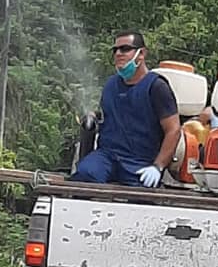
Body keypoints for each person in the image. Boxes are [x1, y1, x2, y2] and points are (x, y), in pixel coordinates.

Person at [71, 31, 181, 187]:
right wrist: (93, 116)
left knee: (140, 195)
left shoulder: (157, 87)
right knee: (85, 174)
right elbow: (110, 115)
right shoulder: (110, 85)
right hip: (107, 156)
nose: (118, 53)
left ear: (141, 53)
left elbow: (174, 130)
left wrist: (158, 166)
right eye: (115, 50)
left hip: (139, 162)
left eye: (125, 49)